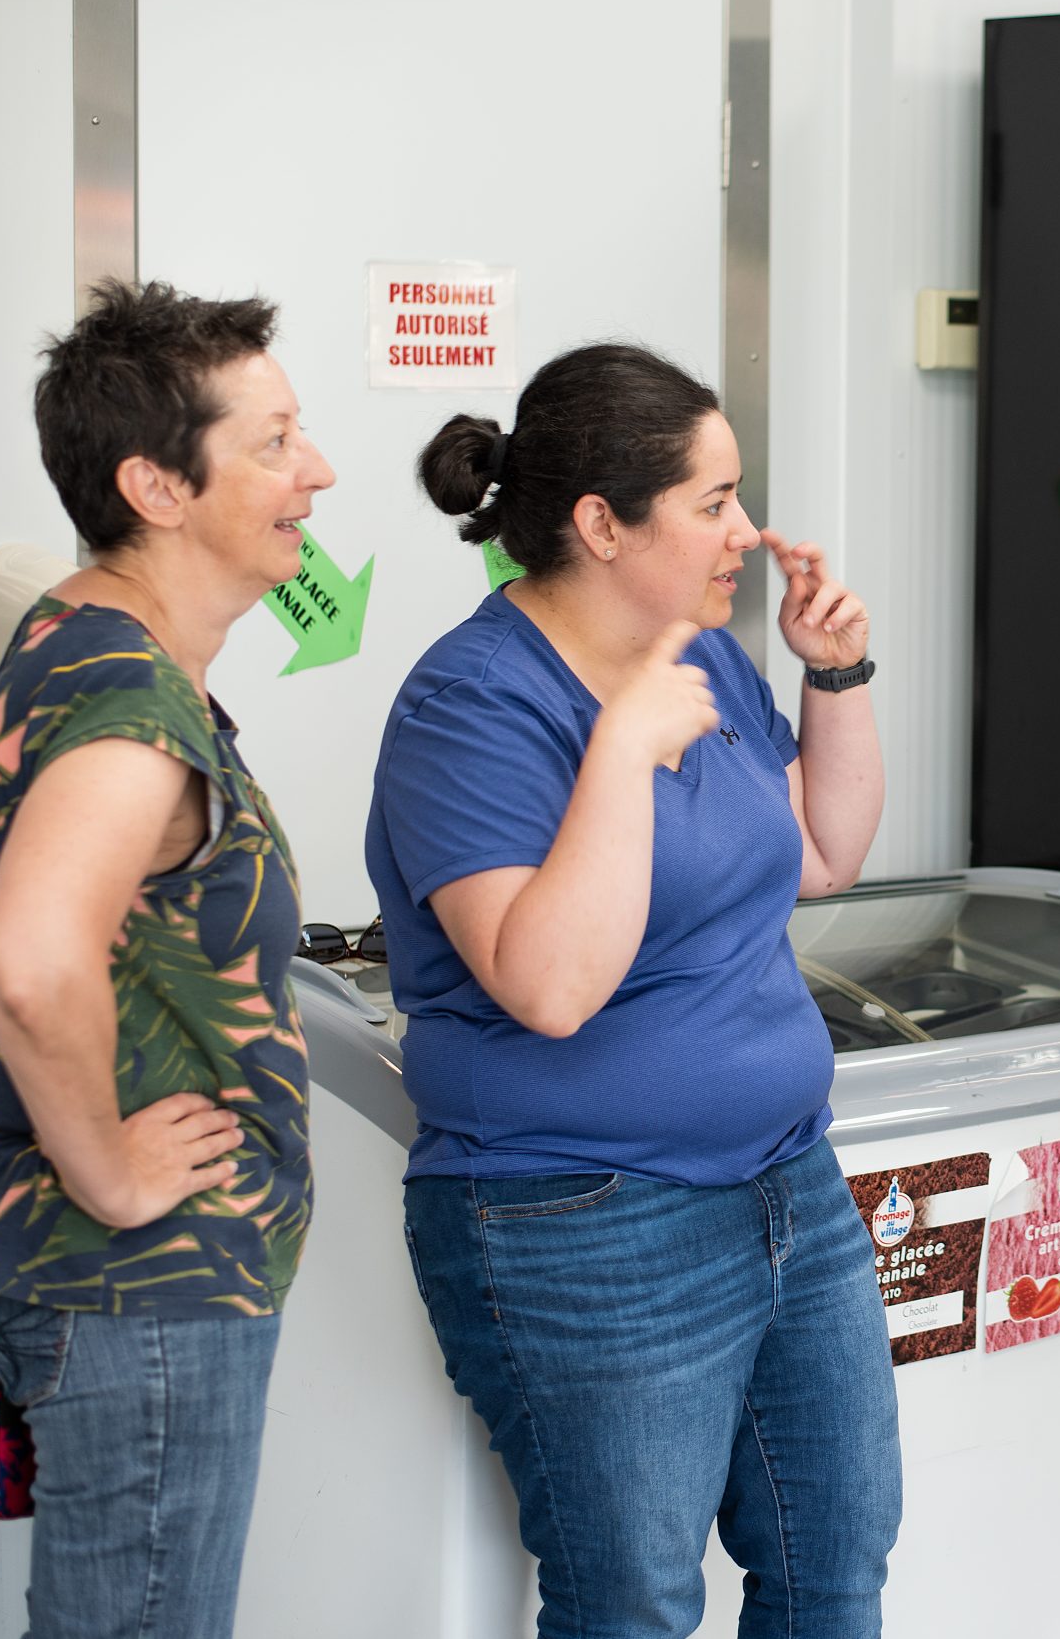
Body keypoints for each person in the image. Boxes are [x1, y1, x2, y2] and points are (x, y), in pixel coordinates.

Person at [371, 343, 895, 1638]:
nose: (749, 532)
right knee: (633, 1606)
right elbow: (549, 984)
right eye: (713, 502)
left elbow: (822, 856)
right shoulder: (469, 703)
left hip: (787, 1186)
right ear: (600, 522)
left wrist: (834, 676)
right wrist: (617, 753)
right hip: (584, 1214)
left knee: (834, 1558)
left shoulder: (700, 657)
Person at [0, 281, 332, 1638]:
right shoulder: (126, 699)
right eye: (276, 442)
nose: (318, 472)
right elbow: (31, 959)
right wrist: (110, 1167)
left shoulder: (81, 629)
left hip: (117, 1295)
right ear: (155, 487)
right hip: (145, 1298)